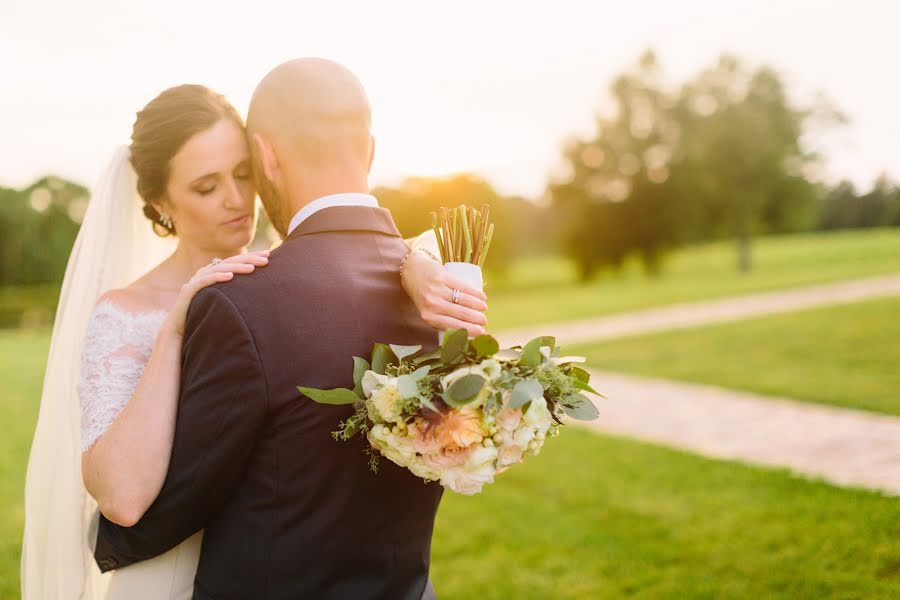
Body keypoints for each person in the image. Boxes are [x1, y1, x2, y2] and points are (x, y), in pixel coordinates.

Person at [21, 78, 488, 599]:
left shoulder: (283, 279)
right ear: (159, 203)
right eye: (206, 186)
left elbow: (352, 254)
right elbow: (121, 498)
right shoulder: (126, 312)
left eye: (243, 173)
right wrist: (176, 328)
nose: (237, 199)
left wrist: (413, 262)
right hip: (170, 573)